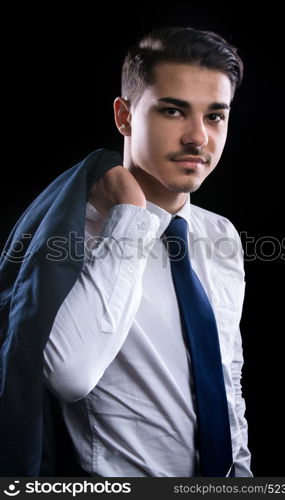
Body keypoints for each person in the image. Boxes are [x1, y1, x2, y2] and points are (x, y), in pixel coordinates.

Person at [0, 26, 252, 477]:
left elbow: (228, 380)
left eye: (215, 116)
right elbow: (69, 376)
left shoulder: (222, 235)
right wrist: (132, 215)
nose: (198, 138)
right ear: (124, 115)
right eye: (173, 111)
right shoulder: (71, 240)